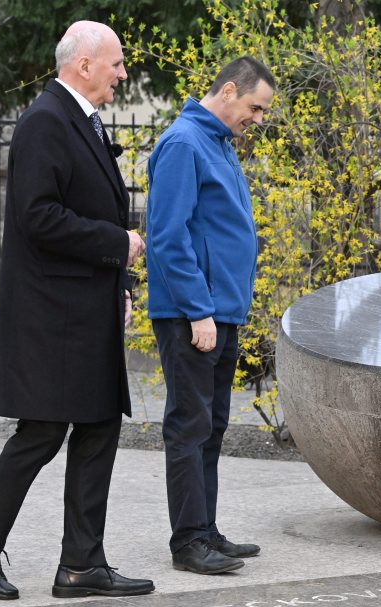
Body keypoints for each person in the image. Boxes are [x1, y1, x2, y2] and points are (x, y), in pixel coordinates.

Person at [0, 21, 153, 599]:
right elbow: (38, 216)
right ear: (83, 65)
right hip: (53, 317)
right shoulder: (45, 120)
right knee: (41, 431)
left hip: (83, 309)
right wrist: (117, 244)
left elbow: (86, 207)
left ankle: (82, 565)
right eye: (116, 63)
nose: (122, 74)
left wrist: (119, 287)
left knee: (98, 425)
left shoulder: (78, 119)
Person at [145, 57, 275, 575]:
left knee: (212, 424)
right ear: (228, 91)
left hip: (220, 313)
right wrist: (198, 310)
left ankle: (206, 529)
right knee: (189, 425)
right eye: (255, 108)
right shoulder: (183, 143)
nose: (258, 119)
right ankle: (188, 541)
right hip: (192, 315)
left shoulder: (217, 142)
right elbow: (167, 236)